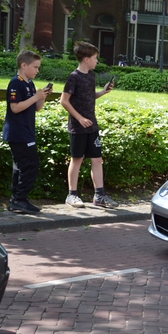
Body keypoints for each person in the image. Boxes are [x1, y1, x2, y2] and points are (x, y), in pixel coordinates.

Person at [60, 41, 119, 208]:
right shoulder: (73, 77)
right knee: (77, 159)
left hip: (92, 126)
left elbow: (88, 96)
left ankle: (99, 196)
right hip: (78, 127)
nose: (96, 61)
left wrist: (103, 92)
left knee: (97, 159)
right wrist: (79, 118)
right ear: (86, 59)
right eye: (95, 58)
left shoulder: (91, 76)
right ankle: (72, 195)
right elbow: (64, 101)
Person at [2, 51, 52, 214]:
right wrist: (35, 96)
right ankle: (19, 199)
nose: (38, 70)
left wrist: (42, 96)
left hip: (26, 132)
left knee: (21, 167)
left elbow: (36, 107)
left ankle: (16, 200)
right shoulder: (16, 83)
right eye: (35, 67)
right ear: (24, 65)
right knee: (30, 166)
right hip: (18, 133)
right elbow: (15, 108)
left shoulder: (29, 83)